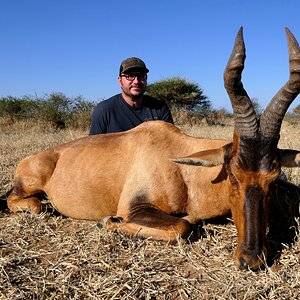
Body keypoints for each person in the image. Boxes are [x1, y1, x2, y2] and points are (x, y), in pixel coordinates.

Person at [89, 57, 173, 134]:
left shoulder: (160, 109)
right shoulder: (104, 110)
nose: (136, 81)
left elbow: (170, 144)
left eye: (141, 76)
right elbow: (93, 146)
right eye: (130, 76)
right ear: (120, 81)